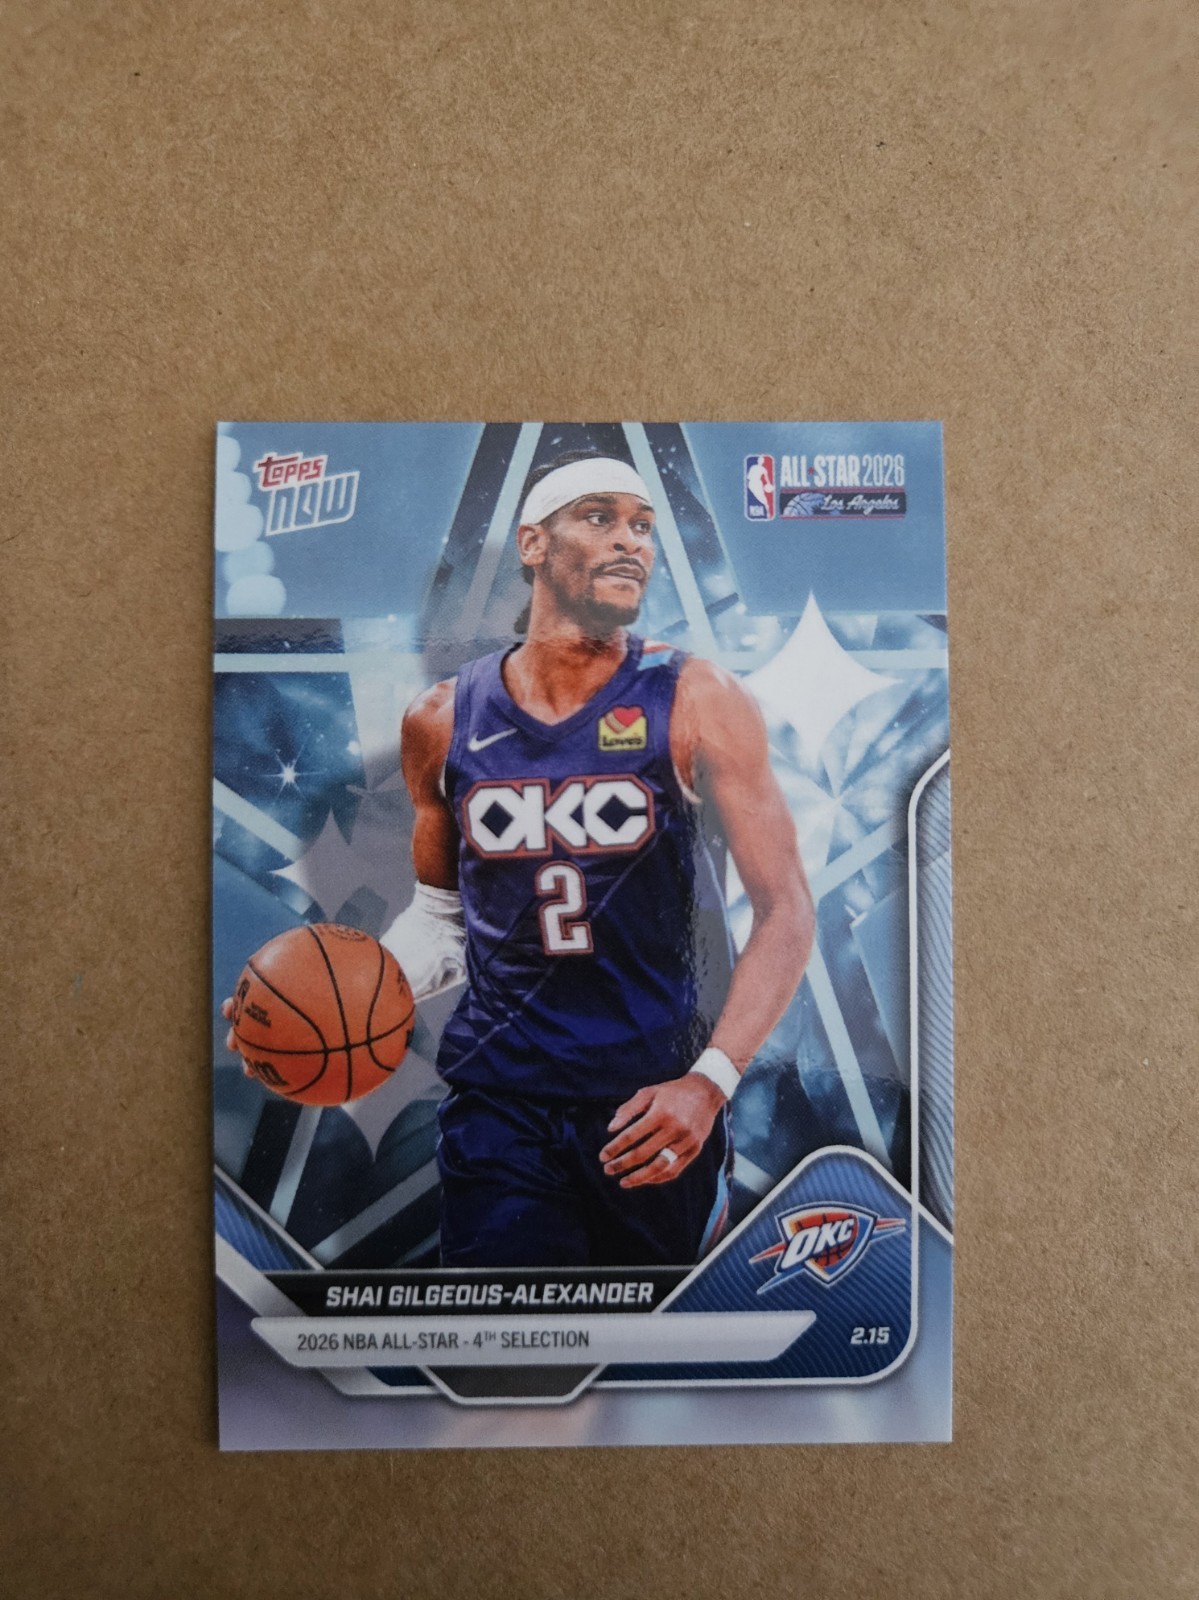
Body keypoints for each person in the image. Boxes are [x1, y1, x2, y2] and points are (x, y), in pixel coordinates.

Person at [225, 453, 814, 1268]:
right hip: (500, 1105)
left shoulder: (695, 697)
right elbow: (443, 919)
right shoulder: (441, 719)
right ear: (533, 544)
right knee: (501, 1339)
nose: (630, 541)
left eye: (643, 525)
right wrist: (314, 1006)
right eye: (600, 517)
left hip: (650, 1100)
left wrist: (710, 1080)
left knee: (651, 1341)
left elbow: (785, 910)